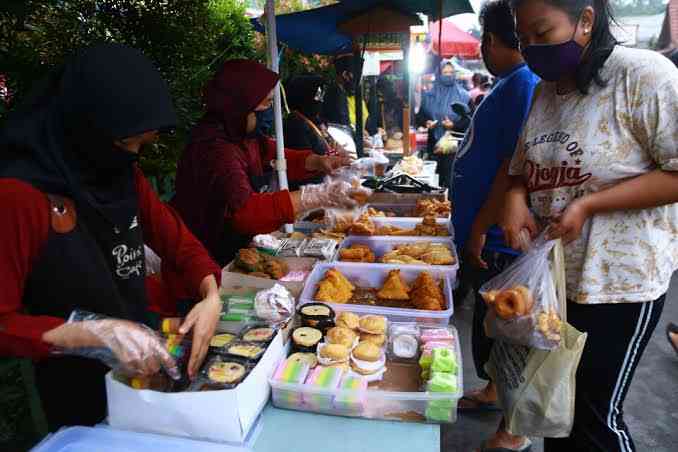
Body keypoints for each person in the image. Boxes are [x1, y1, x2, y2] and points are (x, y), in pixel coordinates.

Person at [0, 44, 222, 430]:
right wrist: (89, 332)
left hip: (145, 365)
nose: (134, 157)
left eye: (143, 144)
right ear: (85, 127)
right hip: (75, 388)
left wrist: (210, 293)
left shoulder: (121, 173)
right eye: (126, 144)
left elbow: (177, 241)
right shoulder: (19, 195)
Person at [504, 1, 678, 450]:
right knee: (556, 412)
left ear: (585, 20)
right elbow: (522, 169)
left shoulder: (644, 75)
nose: (531, 50)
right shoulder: (547, 91)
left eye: (542, 34)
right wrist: (515, 199)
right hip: (558, 283)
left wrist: (589, 205)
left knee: (595, 420)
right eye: (524, 39)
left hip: (619, 283)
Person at [451, 2, 540, 451]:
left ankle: (515, 427)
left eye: (487, 39)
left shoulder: (524, 84)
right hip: (486, 235)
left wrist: (479, 226)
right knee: (490, 326)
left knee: (511, 330)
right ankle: (491, 391)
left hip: (501, 239)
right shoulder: (509, 84)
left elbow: (512, 167)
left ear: (498, 40)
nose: (484, 49)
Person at [173, 60, 361, 266]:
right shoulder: (214, 148)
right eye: (266, 103)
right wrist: (315, 195)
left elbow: (274, 153)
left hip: (239, 245)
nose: (270, 110)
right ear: (241, 105)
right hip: (206, 253)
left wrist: (318, 161)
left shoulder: (242, 134)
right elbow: (244, 212)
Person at [418, 59, 471, 188]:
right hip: (433, 145)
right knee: (433, 181)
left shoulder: (464, 96)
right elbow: (420, 116)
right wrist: (427, 122)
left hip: (454, 147)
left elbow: (469, 120)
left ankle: (449, 207)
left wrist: (454, 125)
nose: (448, 75)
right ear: (438, 74)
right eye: (445, 72)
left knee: (450, 180)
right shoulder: (429, 95)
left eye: (451, 72)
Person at [322, 54, 370, 133]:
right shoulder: (335, 94)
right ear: (345, 74)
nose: (356, 81)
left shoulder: (341, 92)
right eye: (355, 76)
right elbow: (341, 124)